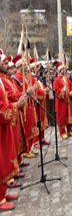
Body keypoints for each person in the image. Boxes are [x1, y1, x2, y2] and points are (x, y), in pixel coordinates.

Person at [0, 51, 27, 211]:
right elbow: (1, 108)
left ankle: (3, 193)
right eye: (4, 63)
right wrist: (17, 105)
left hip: (4, 127)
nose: (7, 65)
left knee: (4, 159)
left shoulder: (2, 81)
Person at [53, 62, 72, 140]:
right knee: (62, 117)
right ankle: (62, 132)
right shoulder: (56, 80)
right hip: (61, 102)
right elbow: (56, 91)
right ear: (59, 71)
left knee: (69, 115)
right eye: (62, 70)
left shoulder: (68, 79)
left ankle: (69, 130)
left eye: (64, 69)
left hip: (68, 101)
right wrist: (62, 90)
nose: (63, 71)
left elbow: (71, 87)